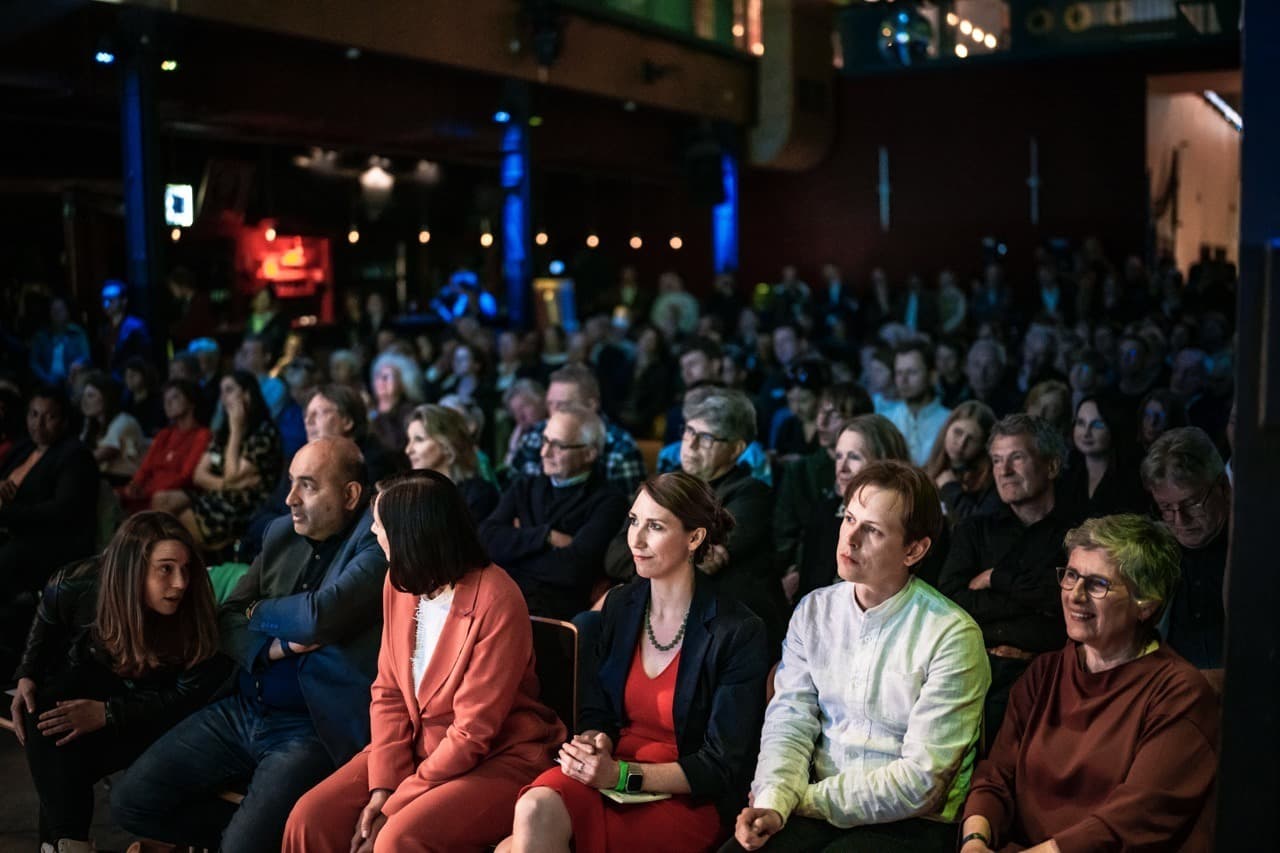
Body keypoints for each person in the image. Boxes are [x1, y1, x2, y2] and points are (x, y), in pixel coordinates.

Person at [111, 437, 388, 852]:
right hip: (244, 707)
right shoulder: (282, 533)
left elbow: (317, 618)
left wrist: (258, 611)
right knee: (130, 802)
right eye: (291, 482)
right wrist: (273, 647)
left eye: (308, 486)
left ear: (350, 495)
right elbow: (226, 617)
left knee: (242, 845)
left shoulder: (375, 541)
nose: (291, 499)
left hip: (311, 727)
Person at [282, 469, 565, 853]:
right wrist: (383, 785)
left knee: (395, 839)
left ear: (413, 536)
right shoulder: (399, 581)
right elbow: (388, 692)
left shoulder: (498, 599)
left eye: (381, 526)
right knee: (309, 816)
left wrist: (397, 802)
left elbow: (471, 735)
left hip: (498, 758)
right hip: (416, 749)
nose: (373, 534)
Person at [728, 461, 989, 853]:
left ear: (914, 550)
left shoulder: (952, 635)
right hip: (813, 802)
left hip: (910, 823)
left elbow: (921, 782)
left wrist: (801, 801)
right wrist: (773, 800)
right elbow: (790, 720)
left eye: (872, 530)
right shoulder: (813, 611)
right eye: (849, 518)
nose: (849, 539)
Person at [502, 472, 770, 853]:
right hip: (610, 772)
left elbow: (720, 765)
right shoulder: (621, 605)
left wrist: (622, 775)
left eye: (655, 526)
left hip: (685, 798)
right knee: (533, 807)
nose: (636, 539)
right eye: (633, 521)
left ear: (694, 538)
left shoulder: (738, 630)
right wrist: (597, 742)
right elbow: (598, 709)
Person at [958, 514, 1218, 853]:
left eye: (1097, 584)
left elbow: (1131, 822)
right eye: (1071, 575)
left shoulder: (1179, 692)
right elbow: (996, 777)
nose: (1075, 595)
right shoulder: (1044, 672)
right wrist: (975, 839)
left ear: (1146, 605)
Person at [11, 512, 229, 853]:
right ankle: (68, 844)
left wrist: (110, 713)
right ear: (132, 571)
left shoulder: (195, 609)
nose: (181, 583)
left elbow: (186, 701)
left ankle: (63, 845)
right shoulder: (74, 584)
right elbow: (45, 629)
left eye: (186, 568)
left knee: (64, 763)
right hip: (99, 690)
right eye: (166, 569)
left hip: (161, 717)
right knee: (41, 713)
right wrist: (26, 675)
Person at [609, 388, 785, 650]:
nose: (689, 445)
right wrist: (669, 563)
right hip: (664, 610)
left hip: (730, 626)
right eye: (689, 431)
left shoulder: (751, 494)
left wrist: (658, 563)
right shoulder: (662, 488)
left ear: (736, 448)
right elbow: (615, 557)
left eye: (705, 438)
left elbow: (703, 566)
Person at [937, 414, 1076, 736]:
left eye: (1016, 458)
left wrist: (997, 579)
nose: (1004, 470)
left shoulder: (1080, 531)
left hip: (1048, 672)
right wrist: (1034, 601)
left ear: (1052, 466)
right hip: (974, 669)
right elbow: (951, 602)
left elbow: (1065, 600)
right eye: (997, 460)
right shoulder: (974, 530)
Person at [481, 405, 628, 620]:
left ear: (589, 453)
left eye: (558, 446)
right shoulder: (525, 485)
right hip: (502, 598)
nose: (544, 453)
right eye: (545, 441)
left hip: (553, 612)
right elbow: (486, 540)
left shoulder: (609, 501)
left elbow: (573, 569)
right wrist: (545, 536)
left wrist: (513, 553)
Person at [152, 370, 283, 549]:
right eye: (221, 392)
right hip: (218, 493)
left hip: (243, 503)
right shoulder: (223, 432)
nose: (224, 397)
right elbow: (199, 475)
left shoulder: (264, 433)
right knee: (162, 500)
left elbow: (231, 475)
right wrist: (226, 485)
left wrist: (236, 429)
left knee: (177, 526)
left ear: (247, 394)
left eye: (229, 390)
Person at [787, 414, 911, 602]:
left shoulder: (911, 516)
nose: (841, 468)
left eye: (854, 457)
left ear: (884, 462)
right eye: (838, 456)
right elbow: (810, 588)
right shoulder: (825, 511)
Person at [1139, 427, 1230, 668]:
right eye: (1166, 508)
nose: (1180, 521)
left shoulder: (1255, 547)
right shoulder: (1154, 548)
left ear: (1223, 487)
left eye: (1192, 503)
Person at [774, 383, 874, 602]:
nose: (822, 422)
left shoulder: (873, 480)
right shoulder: (800, 470)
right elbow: (784, 531)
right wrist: (793, 568)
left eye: (834, 414)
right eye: (820, 411)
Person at [0, 388, 99, 603]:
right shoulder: (24, 447)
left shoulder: (75, 456)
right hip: (13, 530)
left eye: (49, 416)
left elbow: (62, 510)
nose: (38, 423)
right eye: (34, 414)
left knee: (8, 556)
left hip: (51, 541)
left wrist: (7, 513)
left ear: (64, 421)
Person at [507, 364, 646, 497]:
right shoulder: (535, 435)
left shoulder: (620, 448)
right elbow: (513, 495)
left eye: (563, 405)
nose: (554, 413)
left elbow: (630, 515)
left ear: (591, 405)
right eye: (549, 404)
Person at [119, 379, 212, 513]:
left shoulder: (202, 435)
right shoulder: (164, 434)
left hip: (172, 491)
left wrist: (149, 490)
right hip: (149, 489)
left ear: (191, 401)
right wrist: (135, 484)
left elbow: (186, 476)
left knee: (159, 499)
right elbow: (146, 467)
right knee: (115, 494)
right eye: (165, 399)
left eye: (175, 397)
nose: (168, 403)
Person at [405, 403, 499, 524]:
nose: (408, 450)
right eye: (409, 440)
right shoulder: (416, 498)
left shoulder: (480, 495)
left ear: (447, 444)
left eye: (419, 439)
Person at [1059, 395, 1147, 520]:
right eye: (1081, 423)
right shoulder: (1068, 475)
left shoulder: (1131, 481)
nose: (1086, 432)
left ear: (1113, 427)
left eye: (1097, 424)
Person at [924, 401, 1001, 525]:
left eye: (972, 439)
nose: (961, 444)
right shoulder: (925, 471)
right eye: (957, 432)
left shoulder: (991, 484)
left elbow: (977, 528)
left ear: (983, 446)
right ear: (947, 429)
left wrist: (951, 489)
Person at [878, 342, 951, 466]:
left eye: (912, 372)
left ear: (932, 376)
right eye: (899, 373)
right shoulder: (883, 421)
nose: (903, 380)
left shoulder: (949, 421)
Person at [78, 370, 148, 482]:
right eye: (84, 396)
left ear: (106, 398)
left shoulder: (124, 421)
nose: (84, 401)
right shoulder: (91, 424)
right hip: (106, 478)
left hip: (127, 480)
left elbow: (99, 456)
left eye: (91, 396)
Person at [369, 350, 425, 455]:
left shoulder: (410, 410)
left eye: (386, 377)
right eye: (377, 376)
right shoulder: (369, 409)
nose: (381, 381)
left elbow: (396, 446)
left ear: (403, 381)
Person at [29, 296, 91, 388]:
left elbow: (86, 356)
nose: (57, 313)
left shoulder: (77, 333)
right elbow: (33, 362)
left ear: (67, 312)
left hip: (71, 382)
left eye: (60, 309)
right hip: (46, 382)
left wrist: (77, 364)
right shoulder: (41, 335)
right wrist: (46, 378)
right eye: (53, 310)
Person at [97, 280, 151, 379]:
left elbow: (144, 358)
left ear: (124, 301)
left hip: (129, 380)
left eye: (111, 300)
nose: (106, 305)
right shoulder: (103, 330)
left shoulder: (135, 327)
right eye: (104, 300)